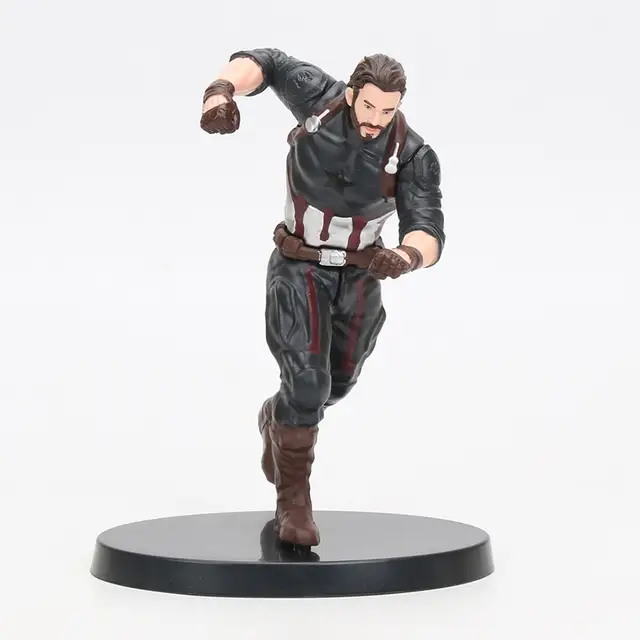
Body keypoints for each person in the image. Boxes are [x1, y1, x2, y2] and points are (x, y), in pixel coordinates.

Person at [200, 48, 445, 547]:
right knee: (308, 382)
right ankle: (294, 502)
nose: (376, 119)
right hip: (299, 267)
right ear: (353, 94)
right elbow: (265, 61)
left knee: (336, 383)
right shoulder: (320, 100)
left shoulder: (413, 155)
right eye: (369, 105)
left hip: (360, 274)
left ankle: (280, 416)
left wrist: (405, 256)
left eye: (388, 110)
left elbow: (428, 229)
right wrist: (221, 92)